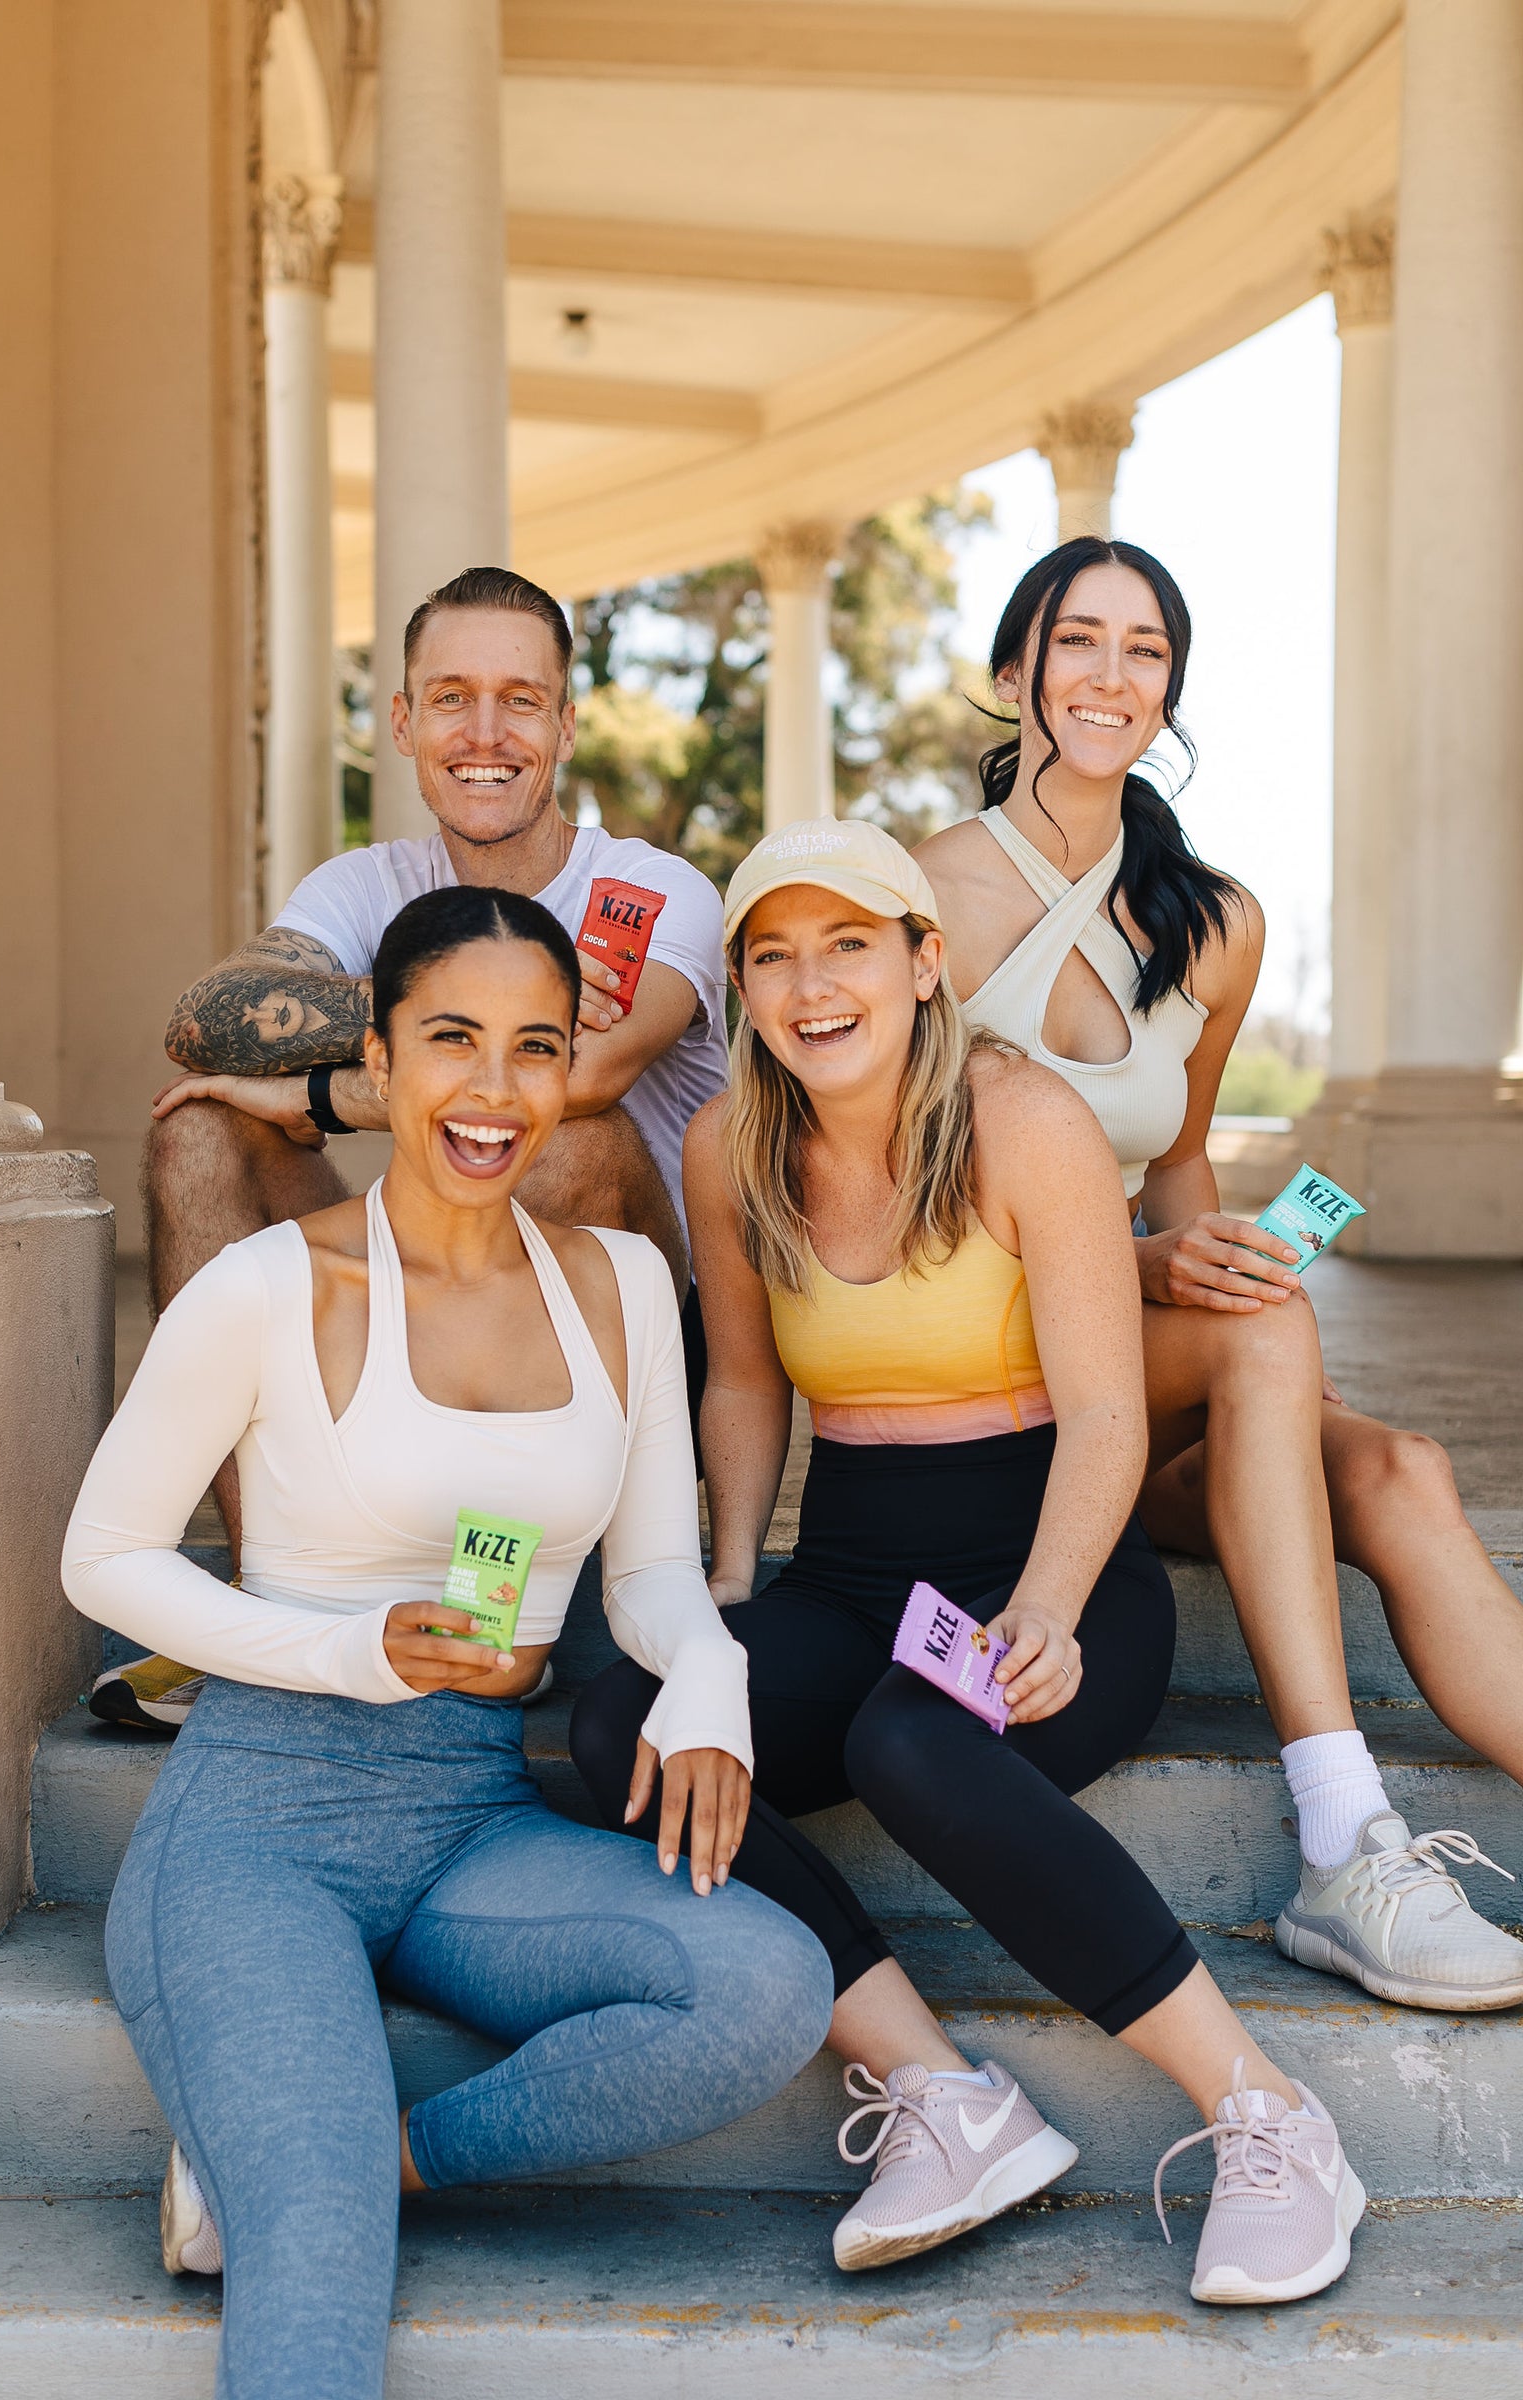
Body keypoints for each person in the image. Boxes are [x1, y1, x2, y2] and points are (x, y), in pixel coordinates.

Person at [569, 817, 1365, 2306]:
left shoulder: (1025, 1121)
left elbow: (1113, 1411)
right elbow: (743, 1386)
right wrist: (724, 1595)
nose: (813, 987)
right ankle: (951, 2100)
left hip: (1048, 1554)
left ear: (926, 963)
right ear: (742, 986)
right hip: (856, 1563)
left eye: (850, 945)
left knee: (912, 1744)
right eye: (775, 957)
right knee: (630, 1721)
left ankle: (1269, 2115)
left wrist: (1051, 1603)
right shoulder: (728, 1143)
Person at [61, 884, 830, 2399]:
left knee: (764, 1988)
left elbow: (654, 1574)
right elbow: (108, 1557)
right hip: (255, 1830)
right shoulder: (272, 1287)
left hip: (470, 1819)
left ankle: (377, 2159)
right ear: (383, 1063)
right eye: (454, 1042)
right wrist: (351, 1652)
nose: (494, 1091)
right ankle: (311, 2189)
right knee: (319, 2271)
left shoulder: (616, 1287)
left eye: (536, 1047)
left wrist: (713, 1674)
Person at [910, 536, 1523, 2013]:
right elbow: (900, 1209)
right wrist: (1159, 1270)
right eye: (1078, 642)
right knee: (1266, 1345)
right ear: (1015, 675)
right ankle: (1342, 1842)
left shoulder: (1212, 919)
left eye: (1146, 651)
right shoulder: (912, 897)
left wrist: (1218, 1260)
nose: (1112, 677)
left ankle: (1356, 1842)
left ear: (1169, 688)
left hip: (1142, 1346)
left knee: (1401, 1466)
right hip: (982, 1353)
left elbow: (1178, 1163)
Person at [98, 563, 726, 1730]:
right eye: (450, 698)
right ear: (402, 722)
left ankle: (507, 1608)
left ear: (565, 723)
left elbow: (569, 1079)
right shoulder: (366, 883)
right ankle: (271, 1601)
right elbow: (205, 1019)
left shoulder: (652, 890)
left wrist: (324, 1098)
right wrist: (336, 1072)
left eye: (519, 700)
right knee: (204, 1126)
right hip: (402, 1304)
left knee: (555, 1142)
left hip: (615, 1340)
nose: (484, 733)